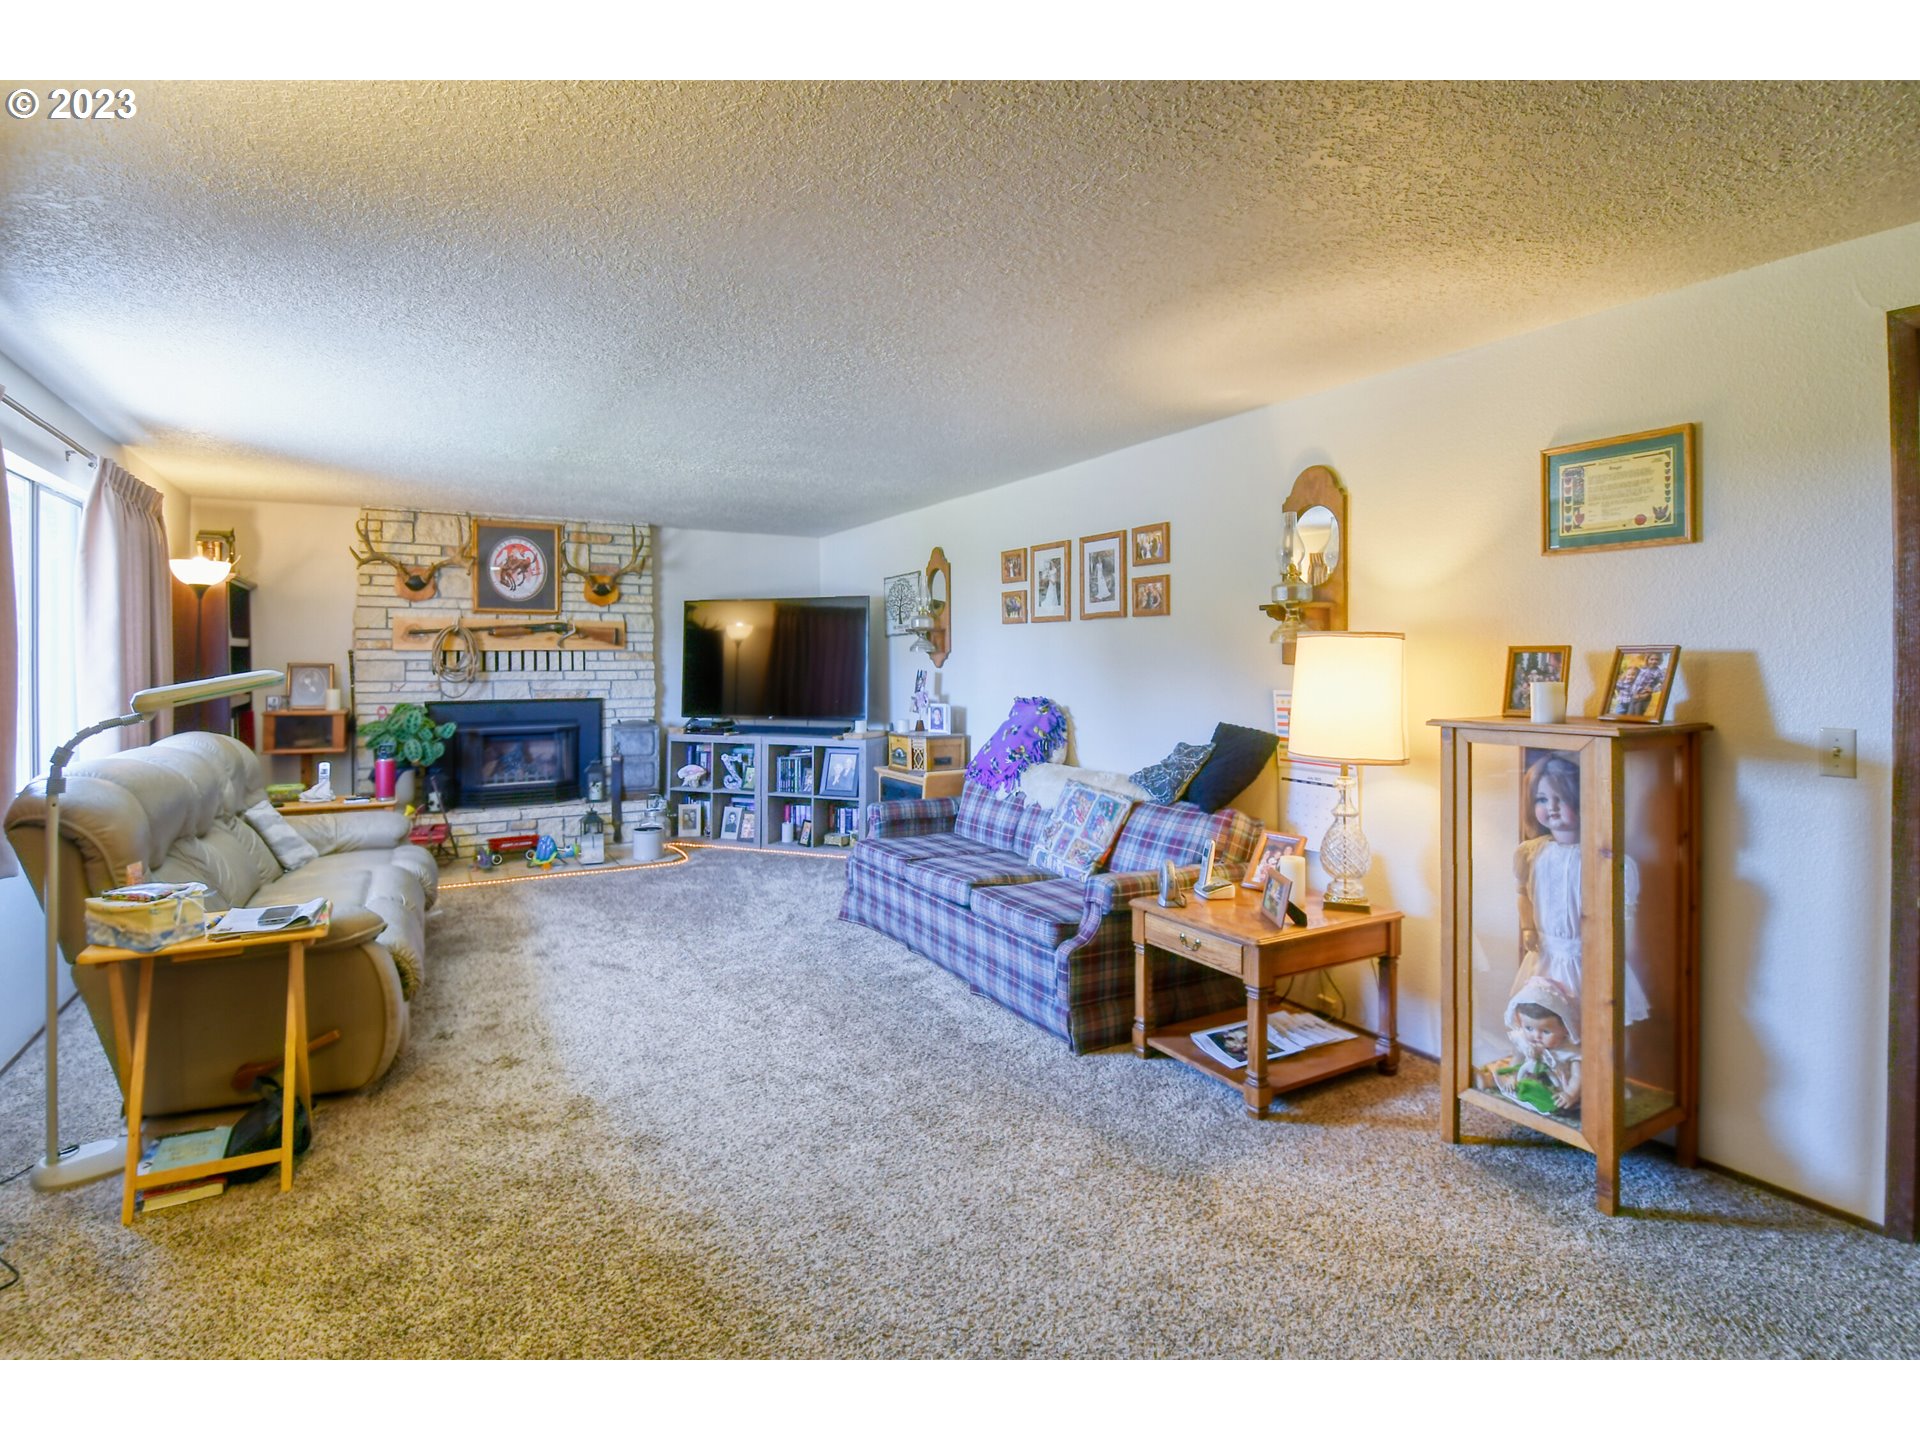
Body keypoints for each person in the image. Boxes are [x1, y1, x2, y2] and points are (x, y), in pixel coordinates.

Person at [1513, 753, 1650, 1025]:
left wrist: (1614, 947)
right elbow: (1522, 893)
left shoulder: (1602, 859)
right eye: (1542, 799)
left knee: (1589, 1021)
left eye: (1560, 798)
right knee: (1542, 1020)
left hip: (1587, 957)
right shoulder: (1531, 853)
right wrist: (1527, 926)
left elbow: (1624, 912)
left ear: (1582, 800)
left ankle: (1582, 1066)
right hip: (1546, 955)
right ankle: (1552, 1066)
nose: (1550, 807)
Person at [1489, 976, 1582, 1115]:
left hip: (1556, 1092)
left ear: (1564, 1028)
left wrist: (1570, 1094)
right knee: (1500, 1076)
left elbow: (1578, 1076)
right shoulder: (1524, 1041)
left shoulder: (1568, 1050)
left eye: (1546, 1031)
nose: (1536, 1036)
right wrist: (1512, 1076)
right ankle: (1485, 1080)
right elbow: (1517, 1059)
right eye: (1529, 1028)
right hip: (1527, 1080)